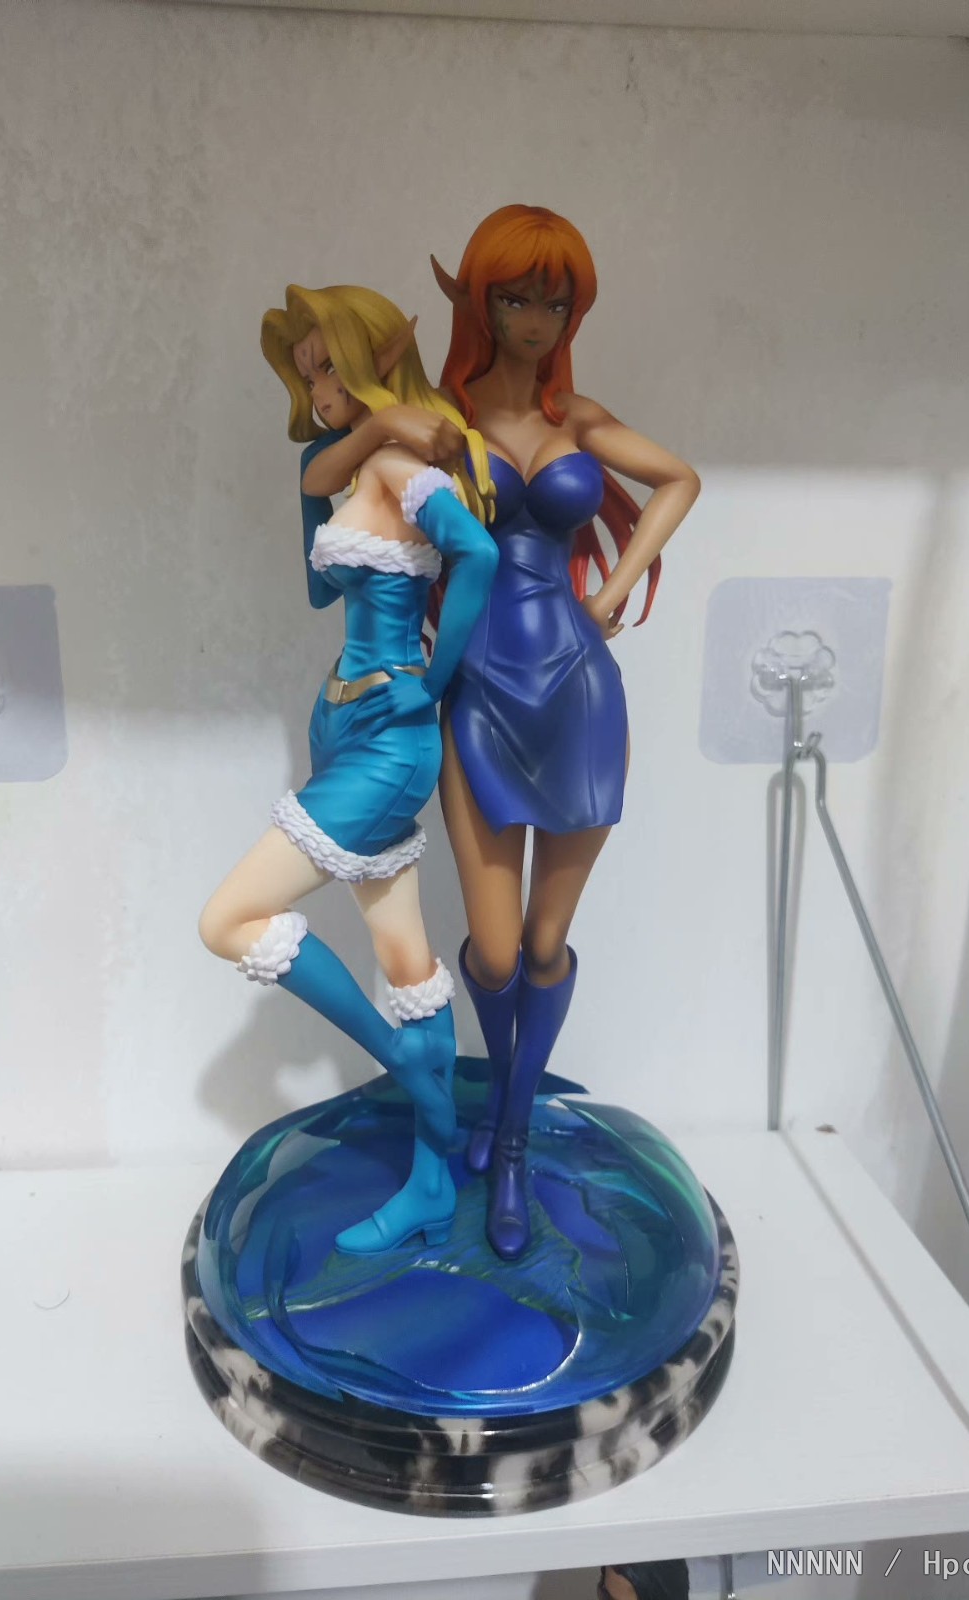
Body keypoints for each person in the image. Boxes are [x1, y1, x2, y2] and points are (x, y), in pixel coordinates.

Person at [303, 207, 700, 1259]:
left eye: (554, 301)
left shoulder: (581, 420)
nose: (535, 317)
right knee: (489, 947)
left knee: (544, 943)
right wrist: (370, 421)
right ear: (480, 304)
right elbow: (333, 473)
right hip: (475, 690)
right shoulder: (445, 418)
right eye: (515, 297)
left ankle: (512, 1138)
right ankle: (501, 1113)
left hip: (577, 691)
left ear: (573, 313)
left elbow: (680, 479)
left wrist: (612, 587)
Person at [198, 284, 496, 1255]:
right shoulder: (358, 465)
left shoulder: (405, 471)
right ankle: (433, 1185)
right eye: (307, 373)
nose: (318, 386)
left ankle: (410, 1078)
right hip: (342, 727)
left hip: (388, 740)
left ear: (376, 360)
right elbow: (318, 587)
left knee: (229, 920)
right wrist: (344, 449)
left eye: (331, 366)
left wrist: (432, 684)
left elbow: (479, 557)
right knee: (409, 965)